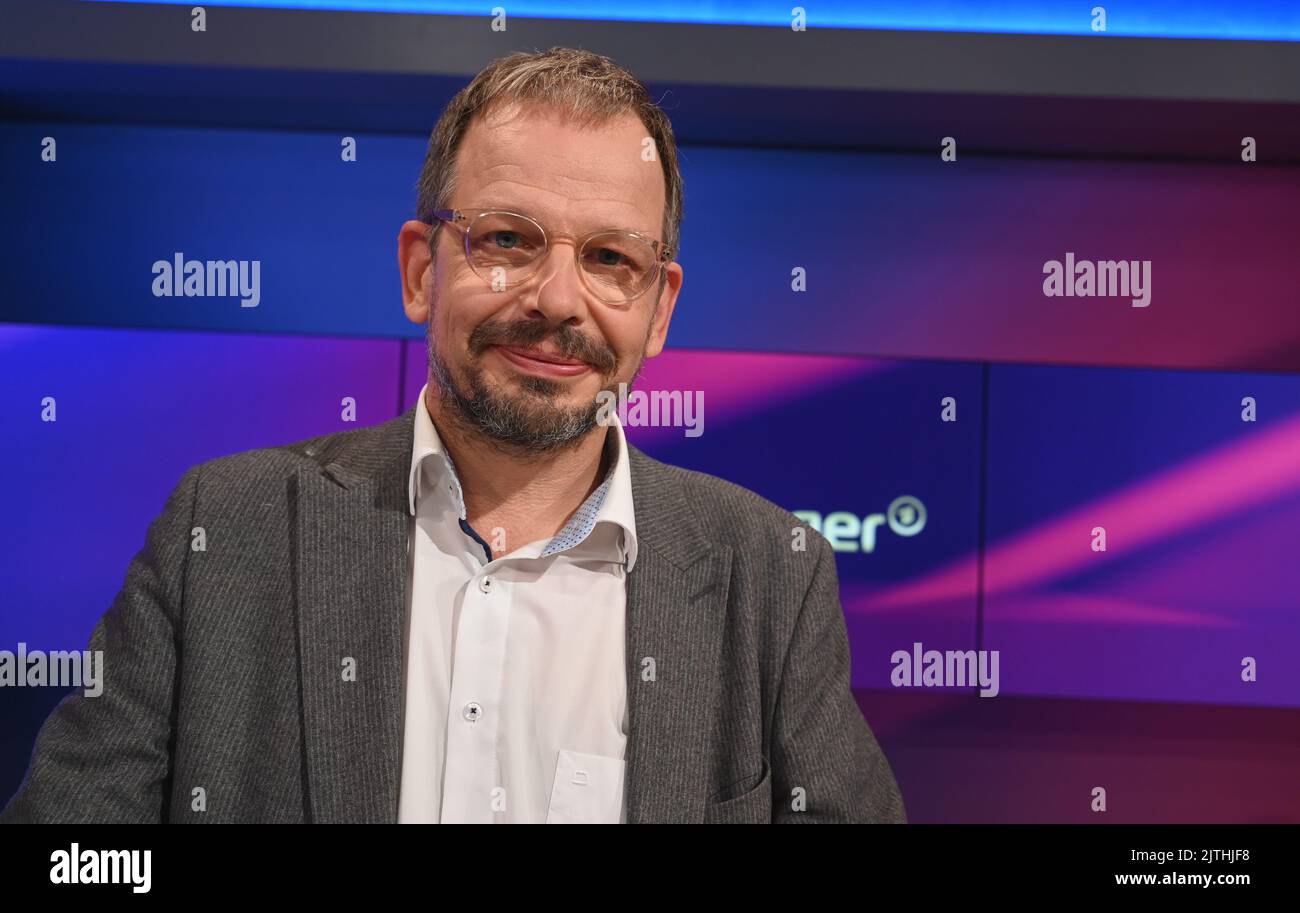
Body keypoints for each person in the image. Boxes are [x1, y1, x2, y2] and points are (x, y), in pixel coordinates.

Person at [1, 47, 904, 824]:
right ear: (420, 270)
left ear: (658, 308)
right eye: (508, 239)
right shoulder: (226, 531)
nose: (557, 300)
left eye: (609, 259)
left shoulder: (770, 575)